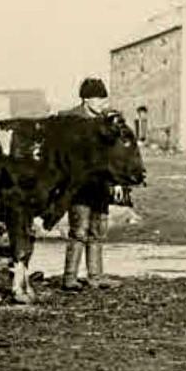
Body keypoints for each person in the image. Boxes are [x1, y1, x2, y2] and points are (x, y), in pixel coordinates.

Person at [59, 76, 114, 290]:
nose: (103, 103)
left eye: (104, 98)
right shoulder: (69, 120)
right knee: (79, 231)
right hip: (79, 186)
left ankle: (96, 276)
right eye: (99, 98)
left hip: (101, 185)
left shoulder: (107, 121)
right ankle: (70, 277)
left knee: (98, 231)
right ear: (86, 99)